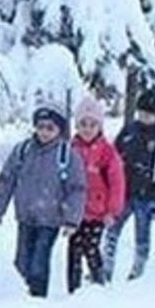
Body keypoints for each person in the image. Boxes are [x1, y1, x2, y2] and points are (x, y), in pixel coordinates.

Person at [0, 104, 87, 298]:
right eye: (41, 126)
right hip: (26, 216)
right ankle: (26, 288)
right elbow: (6, 179)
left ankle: (37, 298)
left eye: (50, 128)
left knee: (39, 260)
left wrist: (71, 219)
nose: (44, 132)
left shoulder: (67, 155)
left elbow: (76, 188)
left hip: (50, 218)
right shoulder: (23, 150)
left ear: (59, 130)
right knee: (22, 260)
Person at [103, 89, 155, 281]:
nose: (144, 117)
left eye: (149, 114)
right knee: (112, 229)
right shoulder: (130, 130)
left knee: (142, 233)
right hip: (124, 191)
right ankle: (105, 266)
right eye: (141, 112)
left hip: (148, 194)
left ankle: (138, 268)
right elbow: (114, 156)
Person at [67, 96, 125, 292]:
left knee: (91, 247)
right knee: (74, 249)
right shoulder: (70, 148)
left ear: (99, 126)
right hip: (76, 211)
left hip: (98, 211)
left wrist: (112, 210)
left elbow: (117, 183)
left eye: (92, 124)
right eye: (83, 124)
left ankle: (99, 281)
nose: (87, 128)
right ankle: (73, 288)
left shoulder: (107, 152)